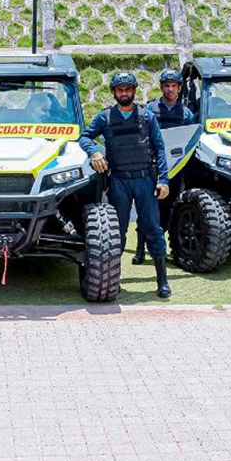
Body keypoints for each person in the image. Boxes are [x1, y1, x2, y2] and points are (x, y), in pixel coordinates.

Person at [79, 71, 172, 298]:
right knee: (115, 233)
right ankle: (113, 280)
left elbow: (160, 148)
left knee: (153, 230)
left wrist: (163, 180)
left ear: (134, 91)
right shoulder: (105, 117)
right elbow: (84, 137)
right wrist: (93, 153)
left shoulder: (147, 116)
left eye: (128, 89)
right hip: (119, 180)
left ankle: (162, 281)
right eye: (120, 90)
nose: (125, 93)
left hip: (145, 180)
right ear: (113, 92)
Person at [133, 68, 194, 264]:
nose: (170, 89)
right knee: (147, 208)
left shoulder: (186, 114)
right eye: (166, 86)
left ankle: (162, 246)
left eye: (173, 86)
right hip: (151, 167)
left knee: (169, 208)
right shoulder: (150, 109)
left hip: (175, 169)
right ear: (161, 87)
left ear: (179, 88)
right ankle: (140, 248)